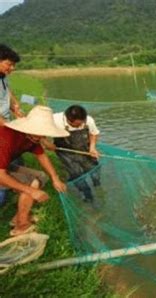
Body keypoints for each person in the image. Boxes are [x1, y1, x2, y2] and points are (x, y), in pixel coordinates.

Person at [0, 105, 69, 236]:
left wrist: (55, 178)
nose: (41, 136)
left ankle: (18, 218)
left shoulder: (32, 137)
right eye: (38, 131)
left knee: (41, 176)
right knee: (30, 184)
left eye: (43, 132)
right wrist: (31, 191)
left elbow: (41, 156)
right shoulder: (5, 137)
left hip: (3, 166)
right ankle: (21, 226)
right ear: (29, 126)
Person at [42, 105, 101, 202]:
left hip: (85, 150)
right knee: (76, 174)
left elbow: (94, 133)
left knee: (94, 171)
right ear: (68, 119)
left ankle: (98, 187)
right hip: (66, 152)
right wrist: (46, 142)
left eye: (81, 124)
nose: (79, 127)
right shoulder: (55, 120)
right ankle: (87, 196)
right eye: (76, 125)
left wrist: (92, 147)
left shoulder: (89, 120)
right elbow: (38, 131)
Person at [0, 44, 24, 207]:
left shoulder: (2, 78)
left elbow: (8, 92)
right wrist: (8, 127)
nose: (12, 68)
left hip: (5, 123)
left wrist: (16, 107)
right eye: (9, 64)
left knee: (15, 160)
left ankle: (15, 189)